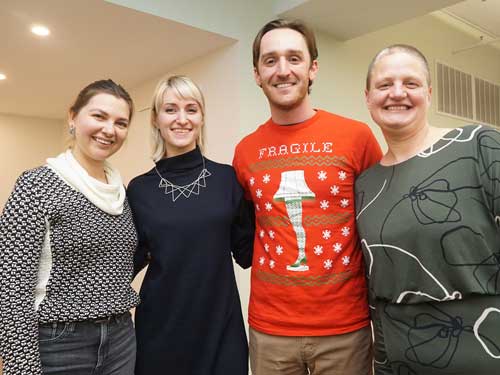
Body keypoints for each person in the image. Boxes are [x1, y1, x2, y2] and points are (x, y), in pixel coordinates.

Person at [232, 19, 382, 375]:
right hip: (270, 332)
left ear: (312, 67)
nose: (283, 70)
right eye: (270, 61)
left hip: (345, 329)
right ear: (257, 74)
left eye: (294, 58)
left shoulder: (356, 138)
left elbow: (380, 221)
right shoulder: (245, 152)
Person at [356, 44, 500, 374]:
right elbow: (377, 291)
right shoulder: (366, 184)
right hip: (401, 358)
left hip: (485, 349)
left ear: (429, 93)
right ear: (367, 97)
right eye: (384, 84)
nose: (397, 93)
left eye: (410, 83)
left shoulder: (478, 146)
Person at [0, 79, 139, 374]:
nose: (109, 130)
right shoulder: (36, 184)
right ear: (73, 117)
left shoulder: (121, 191)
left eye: (120, 122)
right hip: (60, 344)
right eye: (99, 116)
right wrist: (21, 368)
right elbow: (11, 287)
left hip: (121, 338)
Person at [128, 75, 254, 375]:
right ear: (156, 120)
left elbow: (251, 253)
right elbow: (125, 262)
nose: (181, 119)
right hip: (160, 331)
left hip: (221, 329)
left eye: (191, 109)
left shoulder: (228, 180)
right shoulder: (138, 190)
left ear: (201, 118)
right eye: (170, 109)